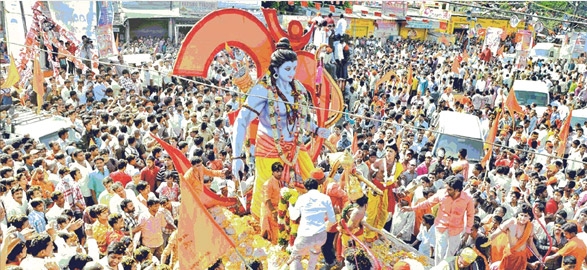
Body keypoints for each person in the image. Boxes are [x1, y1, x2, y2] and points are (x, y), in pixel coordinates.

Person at [231, 37, 330, 218]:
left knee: (311, 184)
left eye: (294, 68)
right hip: (270, 149)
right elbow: (241, 120)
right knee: (269, 196)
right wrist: (236, 157)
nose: (292, 73)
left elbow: (301, 119)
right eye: (287, 69)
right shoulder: (263, 90)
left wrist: (315, 130)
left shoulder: (298, 88)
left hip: (295, 148)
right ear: (275, 69)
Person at [402, 176, 475, 265]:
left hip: (456, 229)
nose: (446, 191)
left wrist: (467, 230)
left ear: (457, 190)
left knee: (450, 254)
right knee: (439, 252)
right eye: (446, 188)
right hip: (441, 227)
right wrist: (412, 208)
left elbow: (470, 215)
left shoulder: (467, 199)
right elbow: (428, 203)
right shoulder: (441, 194)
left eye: (449, 190)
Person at [286, 178, 336, 270]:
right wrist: (323, 225)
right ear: (317, 187)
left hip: (305, 235)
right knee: (314, 255)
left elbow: (293, 216)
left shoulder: (302, 198)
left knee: (295, 257)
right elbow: (332, 220)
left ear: (306, 188)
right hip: (321, 236)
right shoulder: (325, 198)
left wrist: (290, 206)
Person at [489, 204, 541, 270]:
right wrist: (485, 243)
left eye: (526, 216)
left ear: (529, 217)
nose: (523, 218)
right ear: (518, 215)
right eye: (521, 215)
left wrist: (539, 256)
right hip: (510, 256)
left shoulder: (530, 226)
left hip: (521, 257)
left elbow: (531, 243)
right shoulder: (511, 222)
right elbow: (494, 235)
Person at [260, 162, 284, 244]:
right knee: (271, 231)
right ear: (273, 172)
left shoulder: (279, 181)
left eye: (281, 171)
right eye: (277, 172)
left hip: (278, 208)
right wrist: (273, 212)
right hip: (270, 209)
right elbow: (267, 199)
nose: (280, 173)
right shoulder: (268, 183)